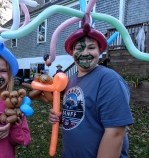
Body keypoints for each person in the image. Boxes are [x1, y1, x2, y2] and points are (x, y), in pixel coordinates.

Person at [48, 22, 134, 158]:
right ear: (72, 52)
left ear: (100, 51)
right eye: (79, 48)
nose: (85, 53)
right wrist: (61, 117)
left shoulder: (109, 80)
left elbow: (116, 132)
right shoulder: (71, 80)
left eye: (91, 47)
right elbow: (82, 113)